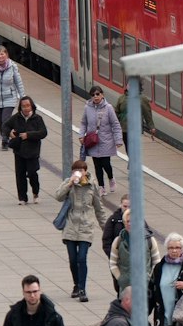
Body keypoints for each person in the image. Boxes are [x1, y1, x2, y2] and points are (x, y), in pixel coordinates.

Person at [54, 158, 108, 304]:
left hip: (86, 226)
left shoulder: (92, 186)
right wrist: (70, 183)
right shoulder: (69, 183)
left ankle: (83, 289)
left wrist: (105, 228)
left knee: (81, 258)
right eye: (75, 171)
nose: (78, 173)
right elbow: (58, 196)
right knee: (73, 259)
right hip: (70, 225)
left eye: (80, 171)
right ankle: (76, 285)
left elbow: (99, 208)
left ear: (85, 171)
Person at [77, 85, 122, 190]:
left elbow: (115, 124)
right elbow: (84, 123)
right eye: (93, 95)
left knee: (106, 164)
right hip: (93, 141)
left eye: (98, 94)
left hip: (106, 141)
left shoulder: (109, 108)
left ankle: (111, 178)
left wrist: (118, 140)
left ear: (102, 95)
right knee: (97, 165)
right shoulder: (87, 108)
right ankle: (101, 187)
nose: (96, 97)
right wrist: (81, 135)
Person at [107, 206, 159, 295]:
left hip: (145, 288)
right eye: (127, 221)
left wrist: (149, 278)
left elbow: (157, 263)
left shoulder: (150, 241)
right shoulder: (118, 241)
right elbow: (112, 263)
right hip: (125, 288)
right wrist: (120, 278)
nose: (130, 224)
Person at [4, 96, 46, 204]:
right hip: (19, 151)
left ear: (31, 106)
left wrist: (29, 135)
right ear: (20, 108)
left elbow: (43, 133)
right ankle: (22, 198)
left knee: (32, 173)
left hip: (33, 151)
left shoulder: (37, 119)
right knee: (20, 174)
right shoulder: (16, 118)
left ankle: (35, 193)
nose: (26, 108)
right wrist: (9, 133)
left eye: (28, 106)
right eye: (23, 106)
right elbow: (5, 126)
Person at [0, 46, 27, 148]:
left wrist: (22, 97)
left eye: (2, 54)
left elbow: (18, 82)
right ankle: (7, 135)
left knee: (5, 120)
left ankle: (5, 140)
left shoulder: (13, 67)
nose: (1, 56)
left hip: (10, 98)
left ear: (6, 55)